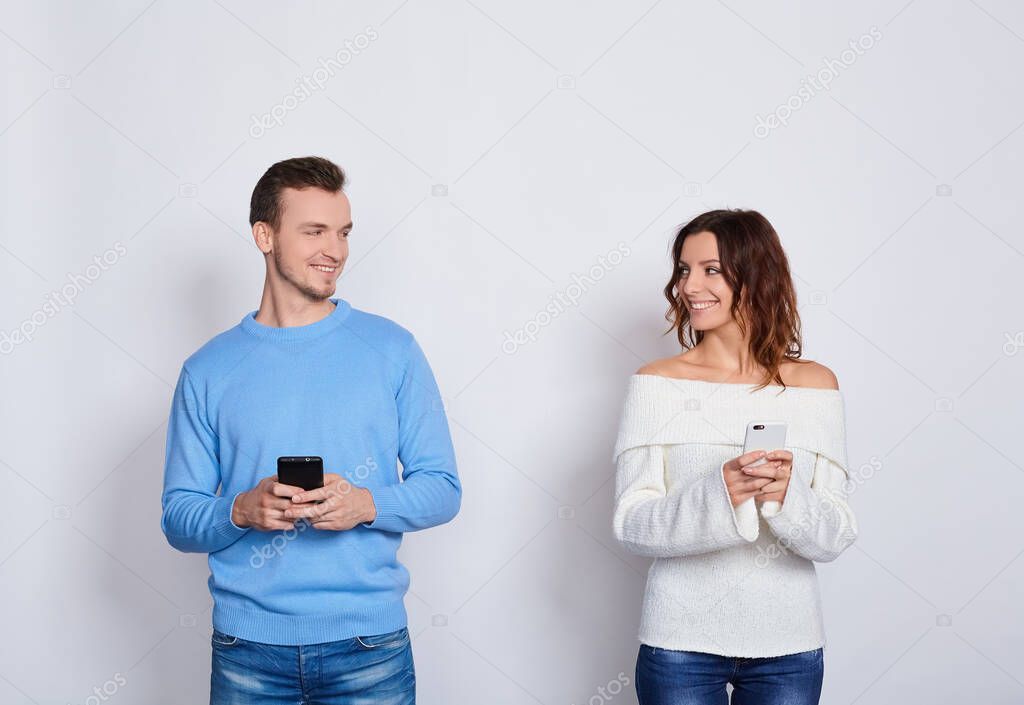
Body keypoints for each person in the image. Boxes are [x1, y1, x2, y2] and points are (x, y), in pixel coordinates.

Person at [160, 155, 461, 704]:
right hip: (246, 649)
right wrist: (239, 511)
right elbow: (178, 518)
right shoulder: (207, 370)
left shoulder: (392, 350)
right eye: (314, 231)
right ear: (264, 235)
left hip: (369, 646)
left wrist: (365, 504)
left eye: (343, 232)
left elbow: (442, 488)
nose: (336, 250)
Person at [612, 209, 858, 705]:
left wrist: (786, 497)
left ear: (757, 275)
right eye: (684, 269)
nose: (689, 285)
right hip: (679, 644)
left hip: (789, 645)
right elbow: (631, 524)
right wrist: (718, 492)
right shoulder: (656, 384)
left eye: (711, 269)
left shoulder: (816, 386)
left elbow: (835, 533)